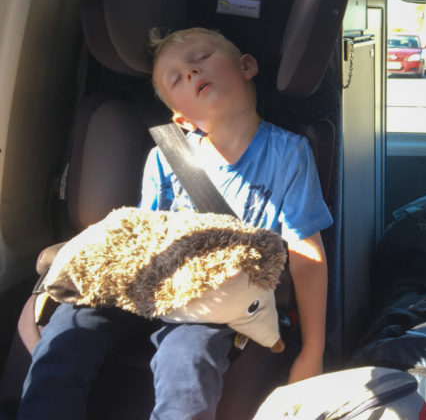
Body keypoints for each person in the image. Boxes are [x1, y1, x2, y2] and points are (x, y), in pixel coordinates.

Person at [19, 27, 333, 420]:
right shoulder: (165, 158)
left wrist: (313, 350)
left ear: (246, 66)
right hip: (152, 286)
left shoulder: (289, 153)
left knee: (188, 360)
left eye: (202, 58)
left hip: (218, 299)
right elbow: (143, 239)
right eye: (175, 78)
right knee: (71, 327)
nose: (190, 72)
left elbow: (307, 253)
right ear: (181, 119)